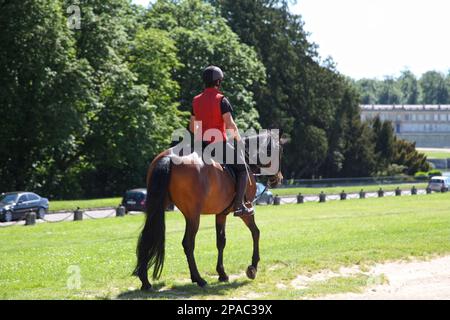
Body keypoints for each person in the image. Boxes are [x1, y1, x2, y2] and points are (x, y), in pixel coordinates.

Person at [189, 66, 254, 217]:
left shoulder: (196, 100)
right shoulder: (222, 100)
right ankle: (239, 207)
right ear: (218, 81)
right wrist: (238, 140)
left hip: (200, 146)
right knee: (243, 168)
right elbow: (230, 125)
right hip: (219, 145)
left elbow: (192, 127)